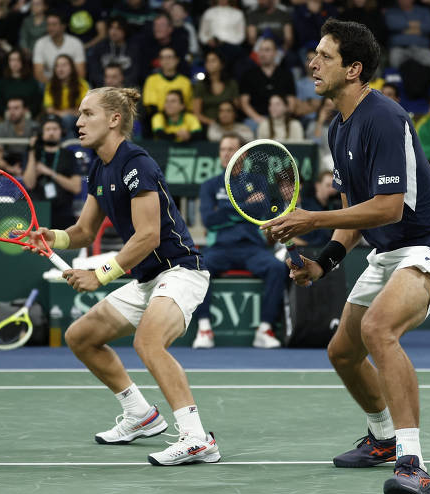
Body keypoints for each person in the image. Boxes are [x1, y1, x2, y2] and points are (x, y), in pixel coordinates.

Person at [262, 20, 430, 494]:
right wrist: (324, 262)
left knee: (378, 330)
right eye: (314, 54)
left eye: (325, 56)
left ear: (353, 69)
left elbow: (388, 206)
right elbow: (356, 213)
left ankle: (413, 464)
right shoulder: (338, 127)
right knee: (342, 352)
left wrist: (311, 219)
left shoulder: (383, 117)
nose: (312, 63)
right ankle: (383, 436)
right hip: (387, 252)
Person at [25, 86, 220, 466]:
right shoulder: (99, 165)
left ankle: (197, 438)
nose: (77, 122)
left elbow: (148, 236)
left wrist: (100, 274)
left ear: (114, 119)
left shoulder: (137, 164)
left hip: (180, 271)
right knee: (81, 337)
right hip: (148, 278)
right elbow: (82, 231)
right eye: (78, 116)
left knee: (148, 342)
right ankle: (140, 415)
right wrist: (51, 236)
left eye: (87, 114)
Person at [192, 133, 288, 350]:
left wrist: (226, 209)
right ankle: (204, 328)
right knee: (197, 268)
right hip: (219, 248)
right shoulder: (209, 185)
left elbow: (262, 211)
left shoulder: (258, 181)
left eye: (231, 149)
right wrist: (244, 206)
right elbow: (209, 220)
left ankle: (265, 329)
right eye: (222, 149)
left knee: (277, 268)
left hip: (252, 248)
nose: (226, 154)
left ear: (242, 155)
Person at [23, 115, 83, 229]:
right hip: (37, 211)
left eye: (55, 129)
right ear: (42, 132)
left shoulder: (69, 155)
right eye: (48, 129)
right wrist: (32, 150)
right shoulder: (34, 154)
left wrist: (50, 173)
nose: (51, 132)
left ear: (61, 131)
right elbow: (29, 183)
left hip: (63, 212)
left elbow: (76, 187)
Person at [239, 37, 296, 128]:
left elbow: (291, 103)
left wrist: (282, 119)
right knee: (248, 125)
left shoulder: (286, 74)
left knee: (293, 125)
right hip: (256, 119)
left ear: (275, 53)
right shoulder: (249, 75)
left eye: (267, 50)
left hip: (281, 118)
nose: (262, 54)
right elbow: (244, 103)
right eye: (260, 50)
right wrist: (258, 119)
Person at [32, 11, 86, 85]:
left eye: (54, 24)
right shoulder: (40, 43)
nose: (50, 28)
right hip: (49, 83)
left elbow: (81, 73)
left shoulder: (76, 43)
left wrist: (67, 88)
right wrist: (54, 88)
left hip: (72, 84)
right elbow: (38, 73)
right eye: (48, 24)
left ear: (63, 26)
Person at [43, 54, 90, 136]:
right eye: (57, 66)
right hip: (57, 119)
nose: (60, 69)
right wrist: (66, 113)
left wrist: (65, 114)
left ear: (71, 68)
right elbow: (49, 110)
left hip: (79, 119)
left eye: (64, 65)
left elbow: (86, 109)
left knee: (67, 119)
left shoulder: (82, 84)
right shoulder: (50, 85)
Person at [0, 97, 39, 176]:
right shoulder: (0, 128)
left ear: (25, 110)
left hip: (30, 163)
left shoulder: (35, 127)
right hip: (7, 166)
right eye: (10, 108)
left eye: (16, 108)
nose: (12, 112)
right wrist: (10, 169)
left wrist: (29, 171)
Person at [384, 0, 430, 70]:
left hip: (422, 48)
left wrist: (404, 29)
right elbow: (392, 25)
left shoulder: (424, 11)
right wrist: (418, 27)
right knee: (394, 61)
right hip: (399, 49)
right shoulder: (391, 11)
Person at [192, 50, 239, 127]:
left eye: (213, 61)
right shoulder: (200, 85)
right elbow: (196, 113)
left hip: (230, 125)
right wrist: (213, 123)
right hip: (207, 125)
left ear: (222, 64)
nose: (210, 64)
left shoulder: (231, 84)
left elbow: (236, 108)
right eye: (207, 61)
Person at [142, 47, 193, 118]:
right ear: (159, 61)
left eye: (170, 57)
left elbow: (188, 107)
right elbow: (151, 106)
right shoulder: (151, 80)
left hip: (182, 121)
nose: (167, 60)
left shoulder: (185, 81)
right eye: (163, 58)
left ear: (177, 60)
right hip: (159, 121)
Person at [87, 17, 138, 88]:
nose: (114, 32)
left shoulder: (134, 48)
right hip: (103, 87)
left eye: (118, 28)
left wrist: (121, 84)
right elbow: (94, 72)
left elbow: (136, 72)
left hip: (126, 87)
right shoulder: (99, 47)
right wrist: (108, 84)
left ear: (125, 30)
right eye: (111, 28)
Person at [0, 49, 43, 120]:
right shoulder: (2, 83)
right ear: (8, 62)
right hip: (8, 118)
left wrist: (28, 112)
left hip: (28, 118)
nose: (14, 63)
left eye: (17, 60)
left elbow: (37, 102)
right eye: (12, 60)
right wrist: (7, 113)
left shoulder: (32, 82)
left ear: (22, 62)